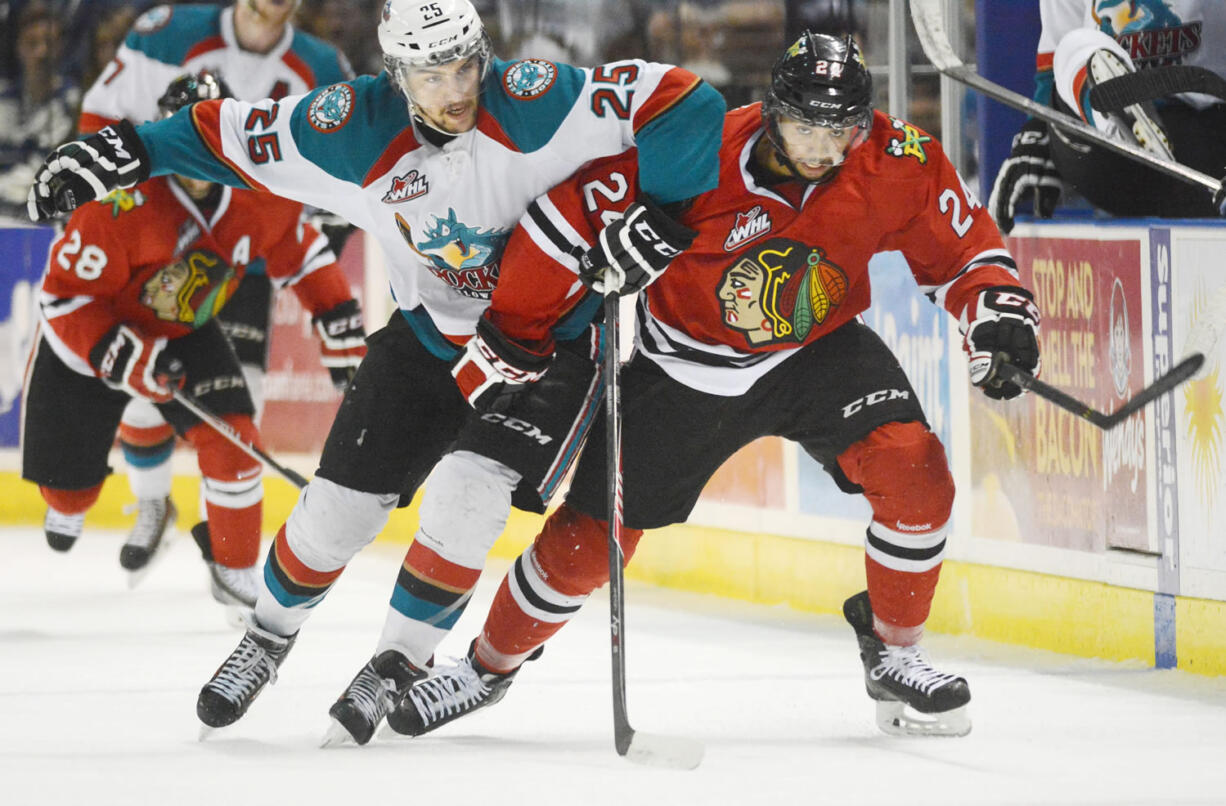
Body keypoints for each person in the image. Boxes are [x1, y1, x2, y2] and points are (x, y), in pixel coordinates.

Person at [26, 0, 725, 741]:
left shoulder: (532, 97)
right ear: (396, 75)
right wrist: (123, 152)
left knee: (467, 498)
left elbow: (685, 99)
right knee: (334, 514)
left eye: (465, 65)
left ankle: (399, 659)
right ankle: (267, 634)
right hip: (426, 342)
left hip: (547, 348)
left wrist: (664, 214)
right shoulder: (349, 128)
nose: (456, 89)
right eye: (431, 75)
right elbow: (228, 134)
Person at [378, 30, 1043, 740]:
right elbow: (563, 221)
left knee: (915, 470)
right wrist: (523, 331)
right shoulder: (698, 151)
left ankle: (897, 652)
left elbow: (965, 251)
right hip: (683, 369)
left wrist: (997, 316)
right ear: (770, 111)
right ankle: (485, 669)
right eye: (804, 126)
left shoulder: (895, 160)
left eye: (841, 130)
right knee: (587, 543)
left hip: (818, 351)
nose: (822, 147)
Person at [22, 70, 363, 613]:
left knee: (236, 440)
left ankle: (234, 569)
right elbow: (64, 299)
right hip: (90, 340)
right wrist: (122, 355)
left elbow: (303, 252)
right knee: (68, 498)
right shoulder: (118, 204)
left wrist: (339, 321)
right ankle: (94, 495)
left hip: (184, 331)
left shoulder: (260, 193)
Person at [75, 0, 355, 565]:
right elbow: (100, 121)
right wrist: (119, 215)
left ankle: (226, 543)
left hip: (244, 255)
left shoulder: (323, 67)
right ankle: (154, 503)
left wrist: (318, 255)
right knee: (146, 392)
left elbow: (352, 164)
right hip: (163, 248)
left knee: (234, 408)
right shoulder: (167, 33)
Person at [989, 0, 1226, 233]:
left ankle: (1123, 118)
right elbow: (1052, 68)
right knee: (1077, 46)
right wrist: (1038, 140)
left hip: (1207, 147)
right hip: (1111, 158)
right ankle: (1121, 120)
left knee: (1077, 46)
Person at [0, 2, 79, 222]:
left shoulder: (71, 102)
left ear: (61, 48)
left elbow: (39, 173)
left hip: (36, 214)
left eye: (49, 43)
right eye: (32, 43)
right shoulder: (4, 97)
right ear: (19, 46)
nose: (41, 52)